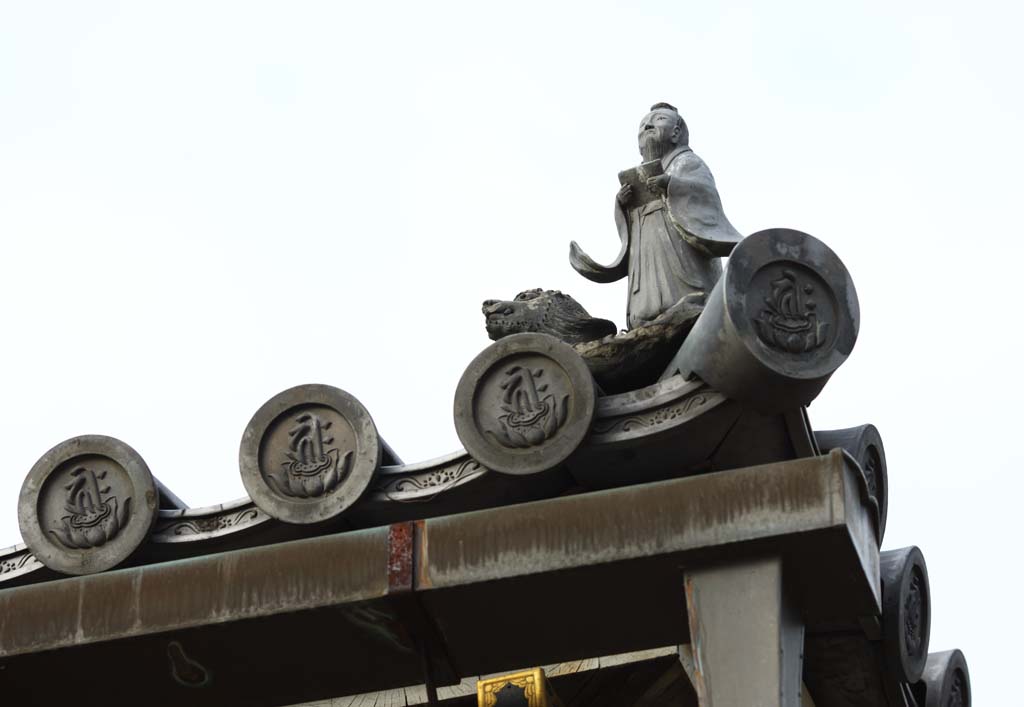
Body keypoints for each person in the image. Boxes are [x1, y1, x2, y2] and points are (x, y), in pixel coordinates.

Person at [570, 103, 742, 329]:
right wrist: (622, 204)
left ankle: (689, 307)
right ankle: (643, 317)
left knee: (688, 301)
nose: (648, 125)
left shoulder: (686, 162)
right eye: (642, 126)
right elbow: (627, 228)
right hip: (646, 244)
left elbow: (706, 194)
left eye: (658, 120)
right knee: (646, 298)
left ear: (676, 132)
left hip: (678, 250)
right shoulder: (639, 173)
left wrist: (671, 184)